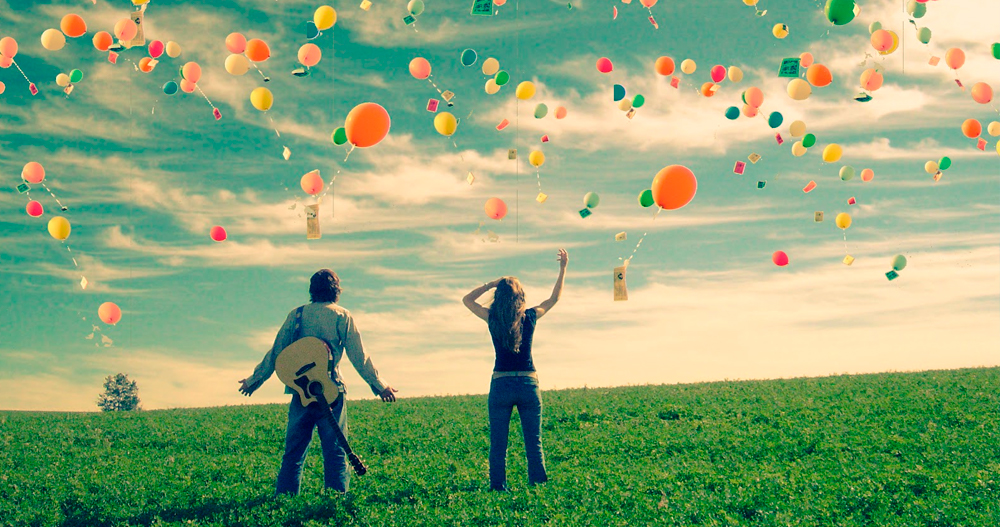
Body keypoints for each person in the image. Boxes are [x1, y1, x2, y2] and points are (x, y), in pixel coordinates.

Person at [238, 269, 398, 496]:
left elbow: (277, 352)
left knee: (293, 453)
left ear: (312, 290)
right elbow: (359, 357)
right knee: (335, 453)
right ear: (336, 291)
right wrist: (380, 385)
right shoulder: (342, 315)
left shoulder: (296, 315)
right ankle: (334, 503)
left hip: (301, 393)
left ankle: (284, 501)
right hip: (332, 393)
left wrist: (254, 380)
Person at [462, 249, 568, 491]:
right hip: (529, 385)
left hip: (500, 384)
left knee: (498, 442)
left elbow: (467, 300)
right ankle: (538, 486)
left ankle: (498, 487)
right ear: (521, 296)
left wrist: (491, 283)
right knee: (534, 441)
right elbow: (553, 299)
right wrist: (563, 269)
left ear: (499, 295)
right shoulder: (529, 317)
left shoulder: (492, 317)